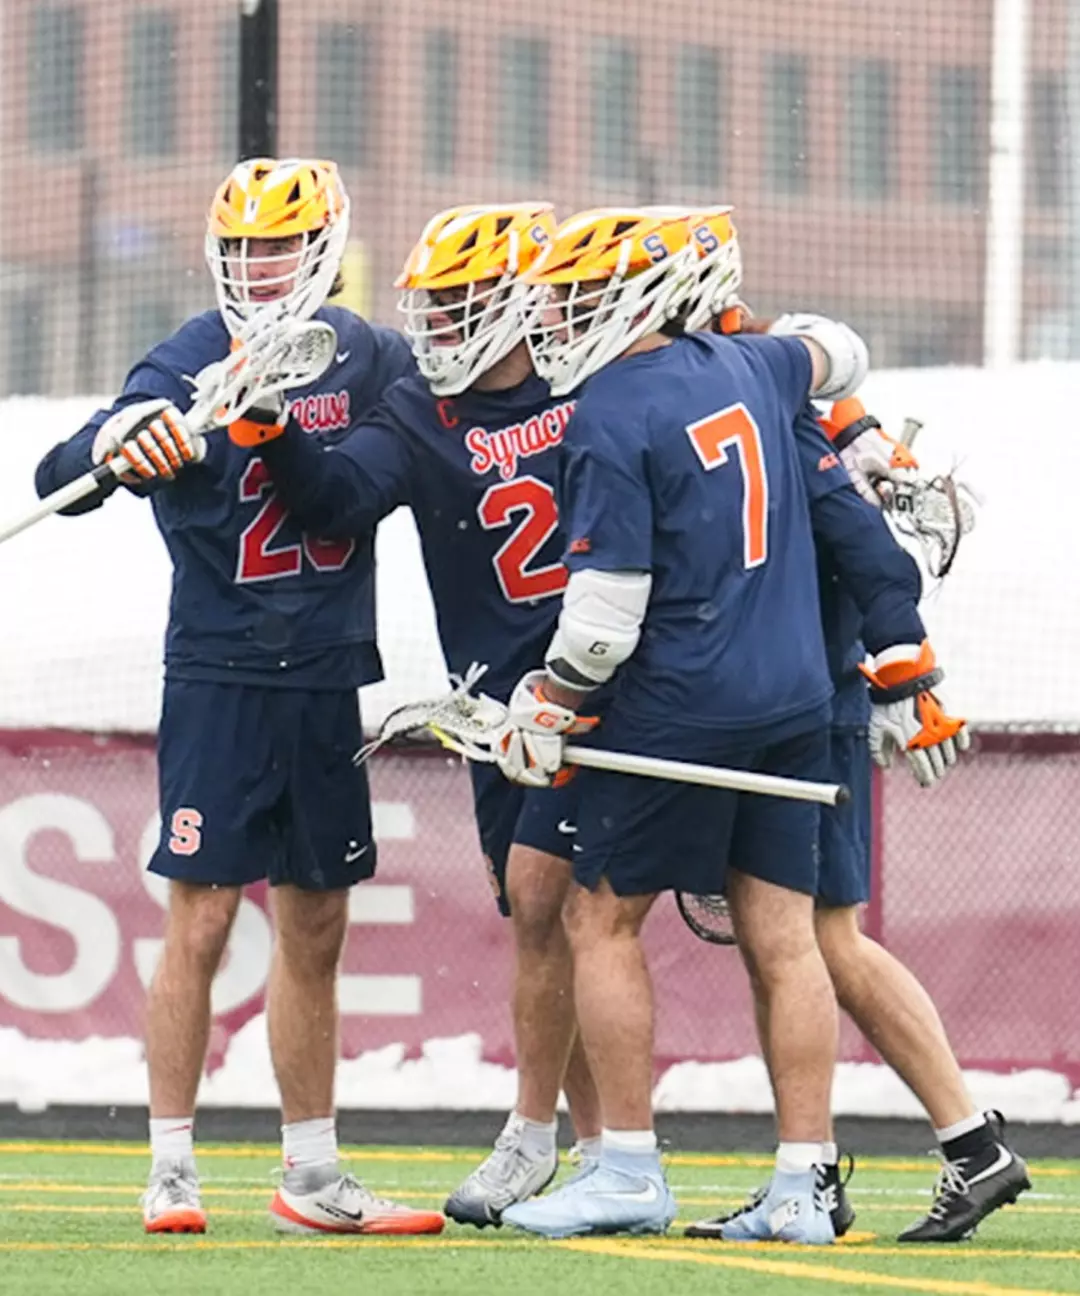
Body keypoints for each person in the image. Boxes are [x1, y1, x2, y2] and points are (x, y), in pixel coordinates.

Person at [486, 208, 968, 1242]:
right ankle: (801, 1183)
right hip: (797, 695)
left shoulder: (610, 411)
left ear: (633, 302)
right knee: (789, 939)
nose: (558, 318)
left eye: (576, 299)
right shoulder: (755, 362)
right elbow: (843, 350)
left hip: (680, 703)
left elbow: (607, 620)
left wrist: (550, 703)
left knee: (599, 921)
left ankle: (626, 1168)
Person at [33, 157, 443, 1238]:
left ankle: (311, 1172)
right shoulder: (188, 353)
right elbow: (57, 476)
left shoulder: (373, 359)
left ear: (323, 247)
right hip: (216, 671)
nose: (261, 268)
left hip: (320, 672)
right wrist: (119, 443)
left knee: (315, 928)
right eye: (244, 249)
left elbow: (352, 498)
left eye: (279, 246)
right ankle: (171, 1166)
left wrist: (274, 428)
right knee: (202, 918)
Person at [217, 202, 606, 1225]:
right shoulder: (416, 411)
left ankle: (544, 1141)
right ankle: (604, 1151)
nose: (436, 324)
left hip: (606, 692)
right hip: (494, 709)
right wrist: (274, 436)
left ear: (517, 300)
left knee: (565, 907)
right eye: (429, 305)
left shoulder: (596, 378)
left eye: (458, 304)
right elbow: (338, 500)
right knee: (549, 923)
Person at [675, 209, 1030, 1244]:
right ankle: (957, 1148)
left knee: (809, 942)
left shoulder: (768, 387)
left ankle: (842, 1170)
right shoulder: (758, 372)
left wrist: (898, 673)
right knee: (815, 943)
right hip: (808, 683)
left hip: (805, 692)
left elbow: (864, 534)